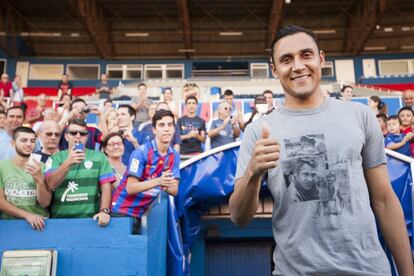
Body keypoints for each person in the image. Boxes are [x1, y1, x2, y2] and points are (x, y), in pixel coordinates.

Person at [229, 25, 413, 275]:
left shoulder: (360, 116)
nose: (298, 66)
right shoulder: (258, 131)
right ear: (274, 69)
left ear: (321, 58)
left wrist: (407, 271)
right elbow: (239, 218)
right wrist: (252, 173)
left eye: (306, 55)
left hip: (368, 269)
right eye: (286, 59)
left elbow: (384, 200)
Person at [44, 119, 115, 226]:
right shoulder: (55, 158)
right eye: (73, 133)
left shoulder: (99, 157)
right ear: (66, 136)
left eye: (82, 133)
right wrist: (68, 162)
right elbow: (51, 184)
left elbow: (106, 186)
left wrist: (104, 211)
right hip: (59, 220)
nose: (78, 136)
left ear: (86, 137)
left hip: (90, 221)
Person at [111, 110, 180, 218]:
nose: (166, 129)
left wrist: (162, 183)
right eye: (161, 125)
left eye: (170, 125)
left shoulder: (174, 156)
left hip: (144, 214)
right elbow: (130, 188)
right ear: (154, 130)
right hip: (122, 210)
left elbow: (174, 190)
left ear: (174, 129)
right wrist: (159, 181)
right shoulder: (140, 153)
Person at [0, 127, 51, 230]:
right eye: (24, 140)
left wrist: (39, 180)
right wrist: (27, 215)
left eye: (32, 141)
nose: (29, 144)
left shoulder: (43, 166)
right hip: (10, 226)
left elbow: (45, 203)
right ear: (13, 143)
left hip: (40, 224)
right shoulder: (2, 167)